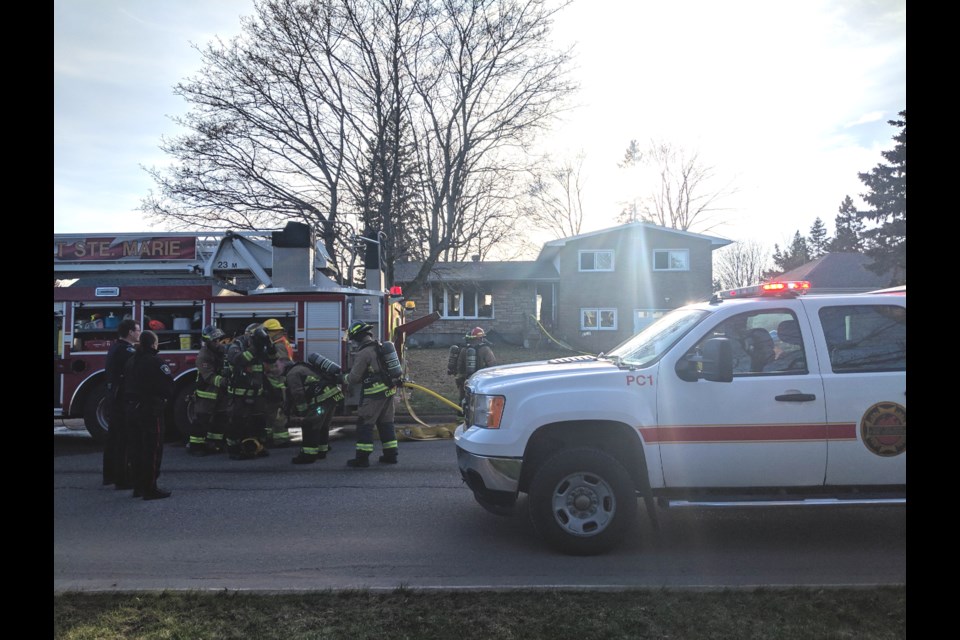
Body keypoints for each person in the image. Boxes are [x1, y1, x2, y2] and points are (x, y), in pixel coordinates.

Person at [122, 329, 175, 500]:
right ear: (153, 344)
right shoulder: (155, 362)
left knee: (135, 449)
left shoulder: (131, 361)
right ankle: (150, 488)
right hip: (150, 411)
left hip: (132, 410)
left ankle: (138, 487)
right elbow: (167, 387)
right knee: (152, 450)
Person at [341, 321, 401, 468]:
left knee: (364, 424)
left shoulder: (363, 353)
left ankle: (362, 459)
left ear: (357, 337)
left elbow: (354, 377)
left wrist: (342, 378)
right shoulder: (379, 347)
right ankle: (391, 455)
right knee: (386, 423)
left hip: (373, 395)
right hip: (388, 391)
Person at [224, 323, 278, 460]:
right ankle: (233, 449)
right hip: (239, 394)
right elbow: (239, 360)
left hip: (256, 393)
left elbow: (272, 360)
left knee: (258, 421)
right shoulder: (237, 346)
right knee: (236, 422)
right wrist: (255, 348)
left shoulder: (260, 346)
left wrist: (271, 347)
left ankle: (258, 447)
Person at [285, 353, 345, 464]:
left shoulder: (291, 374)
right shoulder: (303, 367)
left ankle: (308, 455)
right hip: (333, 395)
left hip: (322, 400)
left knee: (309, 424)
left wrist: (303, 410)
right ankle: (322, 451)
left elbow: (297, 393)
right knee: (323, 425)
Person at [102, 318, 140, 489]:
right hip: (122, 401)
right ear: (131, 332)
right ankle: (123, 479)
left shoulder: (116, 347)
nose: (139, 333)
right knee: (123, 441)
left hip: (114, 399)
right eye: (137, 330)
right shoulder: (127, 351)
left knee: (114, 440)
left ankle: (110, 476)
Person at [190, 325, 230, 456]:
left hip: (220, 393)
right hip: (206, 393)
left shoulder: (220, 351)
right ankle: (196, 446)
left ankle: (214, 444)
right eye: (215, 341)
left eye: (219, 340)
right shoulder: (203, 356)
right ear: (208, 341)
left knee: (220, 419)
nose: (218, 343)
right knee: (202, 420)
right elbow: (208, 376)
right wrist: (225, 381)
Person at [262, 318, 294, 448]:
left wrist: (265, 368)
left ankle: (281, 439)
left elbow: (279, 367)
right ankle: (270, 437)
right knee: (270, 412)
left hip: (277, 384)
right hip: (276, 383)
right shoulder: (280, 342)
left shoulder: (278, 345)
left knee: (278, 413)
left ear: (272, 332)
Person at [454, 327, 497, 406]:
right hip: (479, 379)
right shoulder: (485, 349)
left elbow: (459, 366)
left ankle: (460, 416)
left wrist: (460, 378)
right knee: (477, 399)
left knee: (463, 398)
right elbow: (492, 364)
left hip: (464, 379)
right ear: (480, 338)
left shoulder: (464, 349)